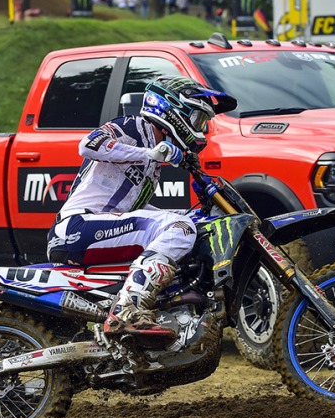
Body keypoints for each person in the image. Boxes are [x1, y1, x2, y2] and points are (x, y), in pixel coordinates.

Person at [47, 76, 237, 338]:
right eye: (197, 119)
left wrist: (188, 214)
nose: (200, 128)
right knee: (179, 228)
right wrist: (148, 153)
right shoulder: (133, 126)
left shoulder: (153, 165)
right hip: (75, 227)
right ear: (172, 108)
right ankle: (128, 312)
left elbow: (133, 209)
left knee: (185, 222)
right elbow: (88, 145)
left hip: (99, 227)